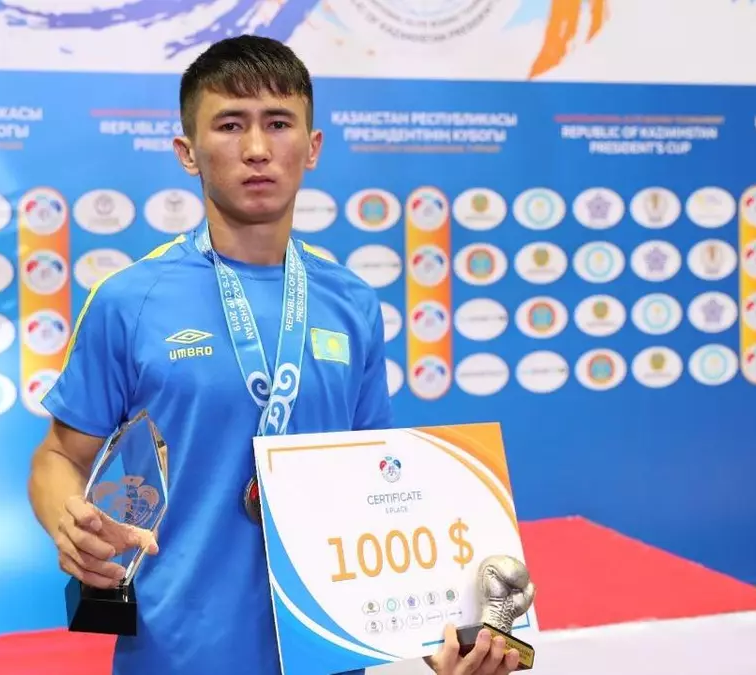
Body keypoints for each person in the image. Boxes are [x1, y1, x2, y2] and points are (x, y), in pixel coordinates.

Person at [27, 34, 523, 675]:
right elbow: (60, 456)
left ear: (312, 147)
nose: (257, 149)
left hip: (326, 655)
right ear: (187, 151)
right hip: (176, 652)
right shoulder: (129, 300)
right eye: (230, 125)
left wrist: (440, 639)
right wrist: (67, 521)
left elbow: (378, 486)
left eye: (279, 123)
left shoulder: (352, 301)